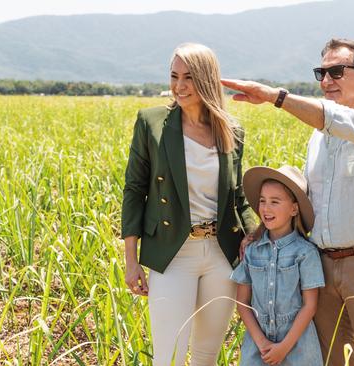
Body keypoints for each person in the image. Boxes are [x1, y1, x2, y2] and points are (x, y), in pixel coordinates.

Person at [222, 38, 354, 365]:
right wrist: (260, 232)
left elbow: (333, 118)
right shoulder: (318, 138)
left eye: (336, 71)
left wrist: (274, 96)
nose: (325, 81)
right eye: (321, 72)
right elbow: (303, 202)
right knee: (332, 358)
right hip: (321, 264)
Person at [121, 43, 257, 366]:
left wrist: (253, 233)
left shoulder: (230, 129)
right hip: (172, 253)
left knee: (207, 356)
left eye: (189, 77)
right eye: (174, 76)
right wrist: (131, 259)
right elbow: (134, 190)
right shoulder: (152, 123)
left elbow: (237, 196)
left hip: (220, 254)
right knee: (168, 355)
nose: (179, 86)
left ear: (207, 79)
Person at [231, 165, 324, 365]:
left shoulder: (305, 253)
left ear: (294, 208)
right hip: (258, 345)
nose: (266, 208)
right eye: (262, 201)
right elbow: (242, 302)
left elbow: (310, 305)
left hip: (298, 346)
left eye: (275, 201)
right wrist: (261, 342)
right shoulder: (252, 251)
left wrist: (283, 348)